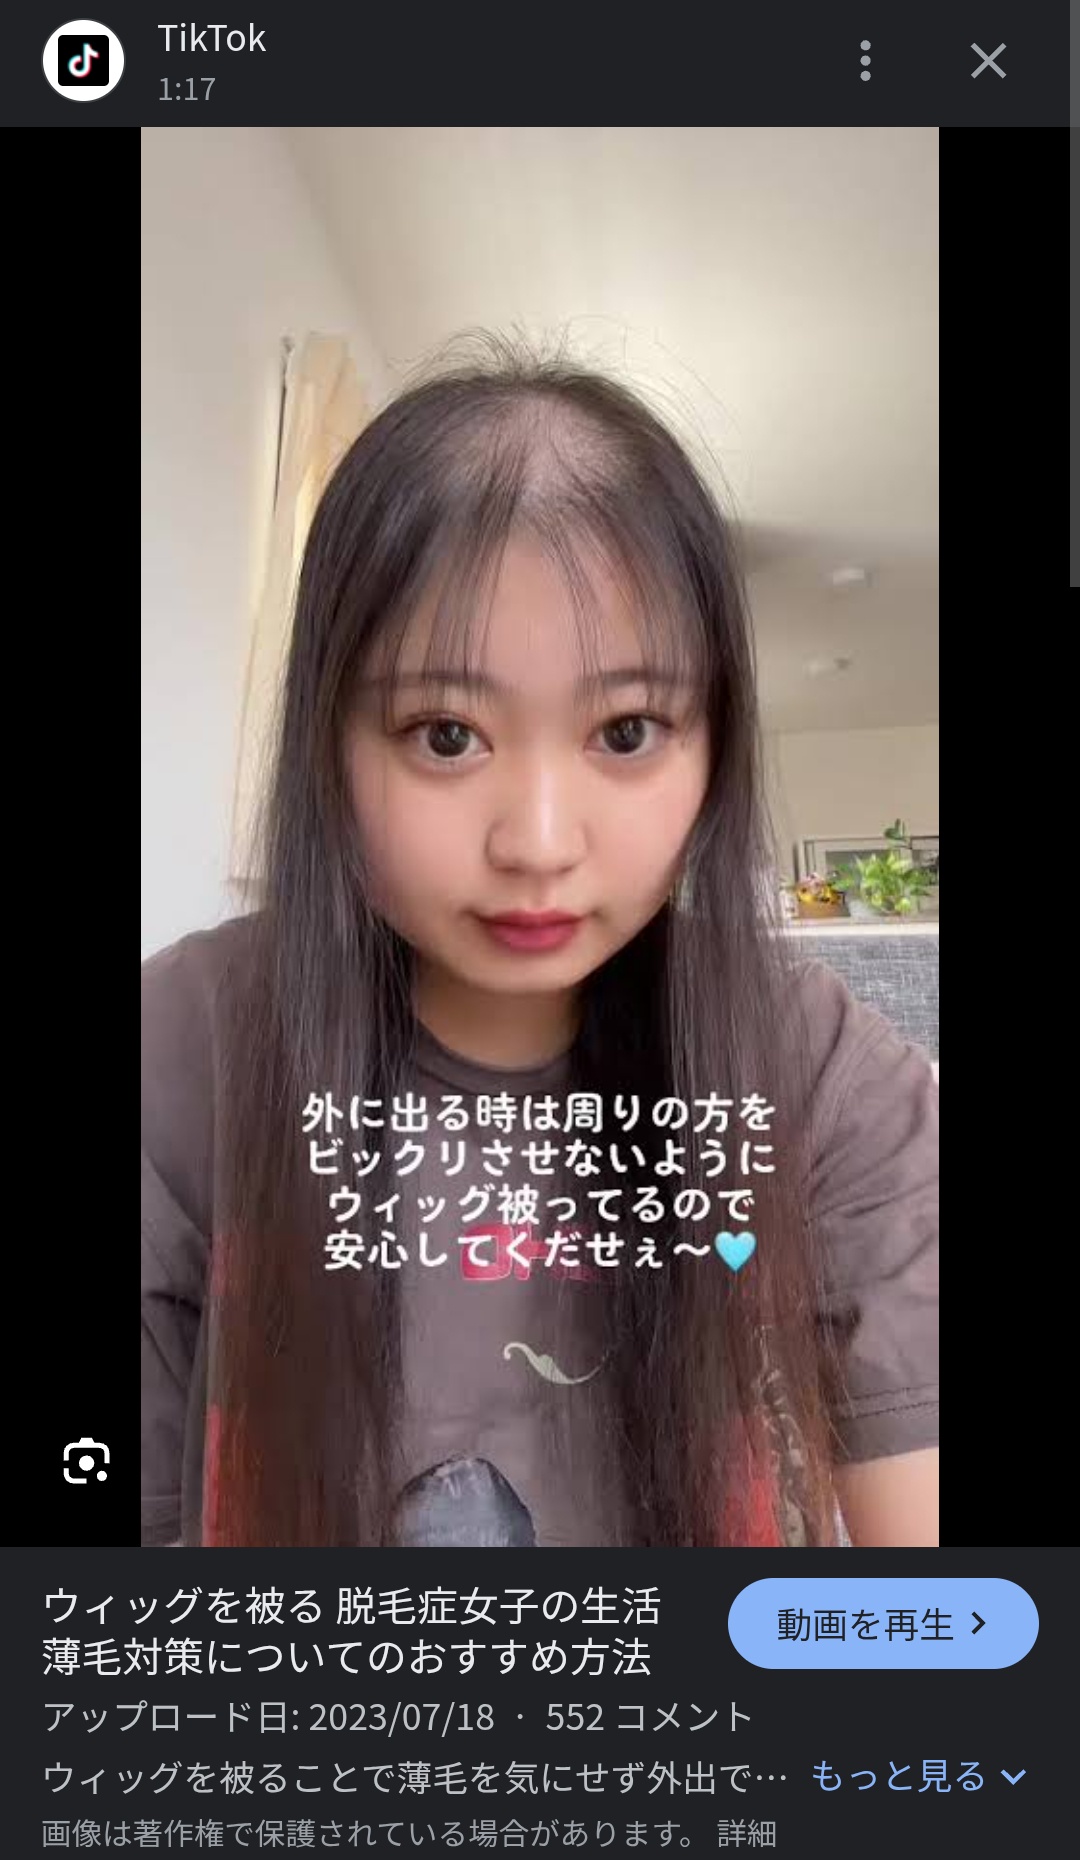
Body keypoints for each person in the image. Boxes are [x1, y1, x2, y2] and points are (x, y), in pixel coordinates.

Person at [142, 336, 938, 1549]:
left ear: (716, 744)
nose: (540, 842)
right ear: (327, 741)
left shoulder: (823, 1075)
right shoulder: (182, 1053)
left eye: (627, 731)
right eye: (445, 734)